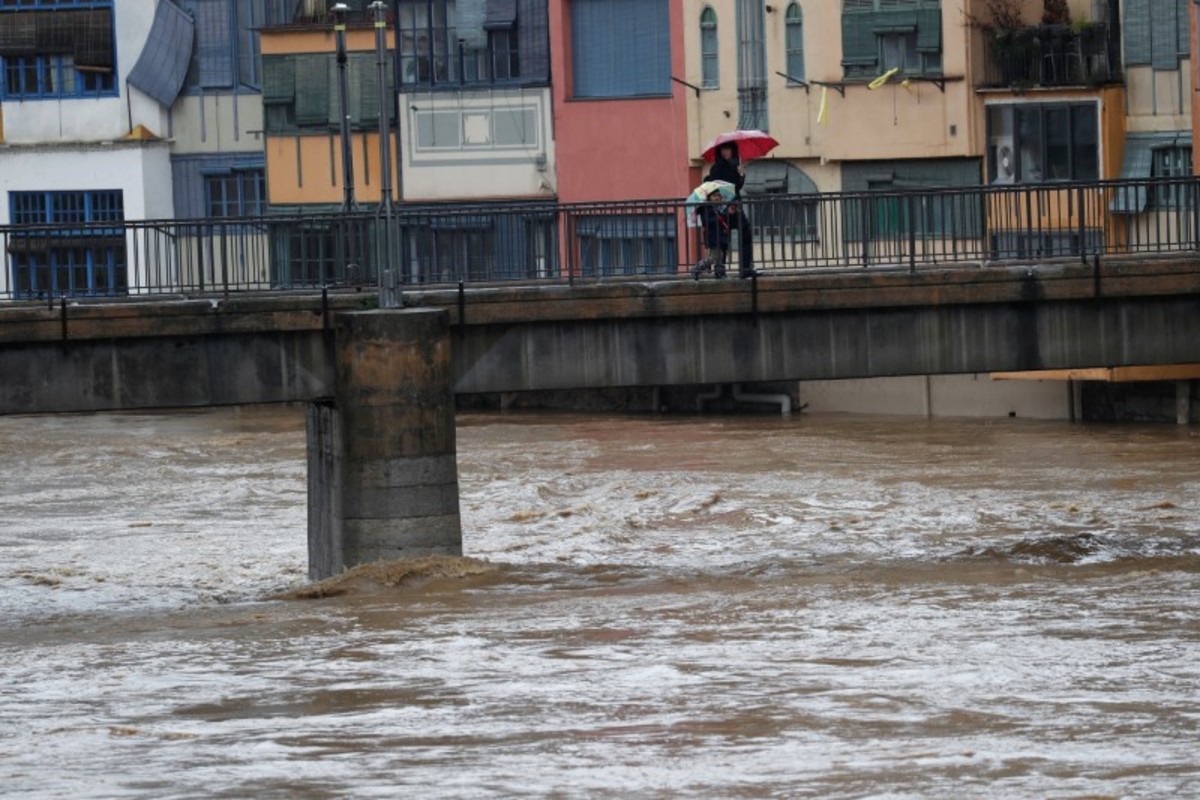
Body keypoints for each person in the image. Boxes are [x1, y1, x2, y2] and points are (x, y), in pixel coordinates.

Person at [705, 142, 756, 279]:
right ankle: (720, 270)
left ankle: (745, 268)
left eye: (728, 149)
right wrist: (725, 205)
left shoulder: (734, 165)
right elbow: (715, 189)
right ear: (719, 152)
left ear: (733, 150)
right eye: (723, 149)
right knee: (723, 239)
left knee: (745, 233)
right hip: (723, 208)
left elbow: (737, 186)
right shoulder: (716, 168)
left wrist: (741, 174)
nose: (726, 152)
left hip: (735, 206)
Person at [691, 190, 731, 280]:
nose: (717, 198)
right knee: (714, 256)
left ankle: (720, 273)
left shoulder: (720, 208)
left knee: (721, 255)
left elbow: (725, 220)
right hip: (712, 235)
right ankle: (697, 268)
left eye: (718, 196)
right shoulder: (705, 207)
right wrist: (717, 219)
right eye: (714, 196)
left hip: (721, 234)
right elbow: (706, 222)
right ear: (709, 197)